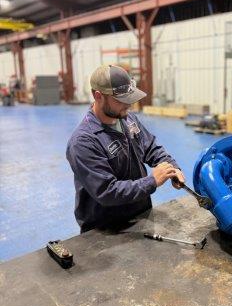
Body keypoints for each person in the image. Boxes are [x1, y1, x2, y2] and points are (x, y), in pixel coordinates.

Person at [66, 64, 185, 233]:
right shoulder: (83, 142)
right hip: (106, 230)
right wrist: (152, 181)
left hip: (140, 215)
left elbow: (150, 147)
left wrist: (172, 168)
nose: (129, 105)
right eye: (120, 100)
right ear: (98, 96)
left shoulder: (127, 118)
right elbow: (107, 192)